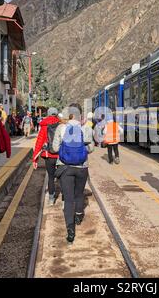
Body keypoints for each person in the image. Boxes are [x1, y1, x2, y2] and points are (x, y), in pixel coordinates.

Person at [52, 103, 94, 244]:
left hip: (65, 168)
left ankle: (70, 230)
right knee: (79, 194)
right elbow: (91, 148)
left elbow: (55, 148)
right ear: (80, 114)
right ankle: (79, 215)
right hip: (82, 167)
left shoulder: (61, 127)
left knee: (68, 199)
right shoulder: (86, 128)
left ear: (69, 114)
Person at [33, 108, 60, 206]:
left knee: (51, 177)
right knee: (63, 177)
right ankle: (65, 198)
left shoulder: (44, 126)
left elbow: (39, 142)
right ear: (56, 114)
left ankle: (51, 198)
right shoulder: (61, 125)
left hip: (48, 155)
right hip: (60, 156)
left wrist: (35, 158)